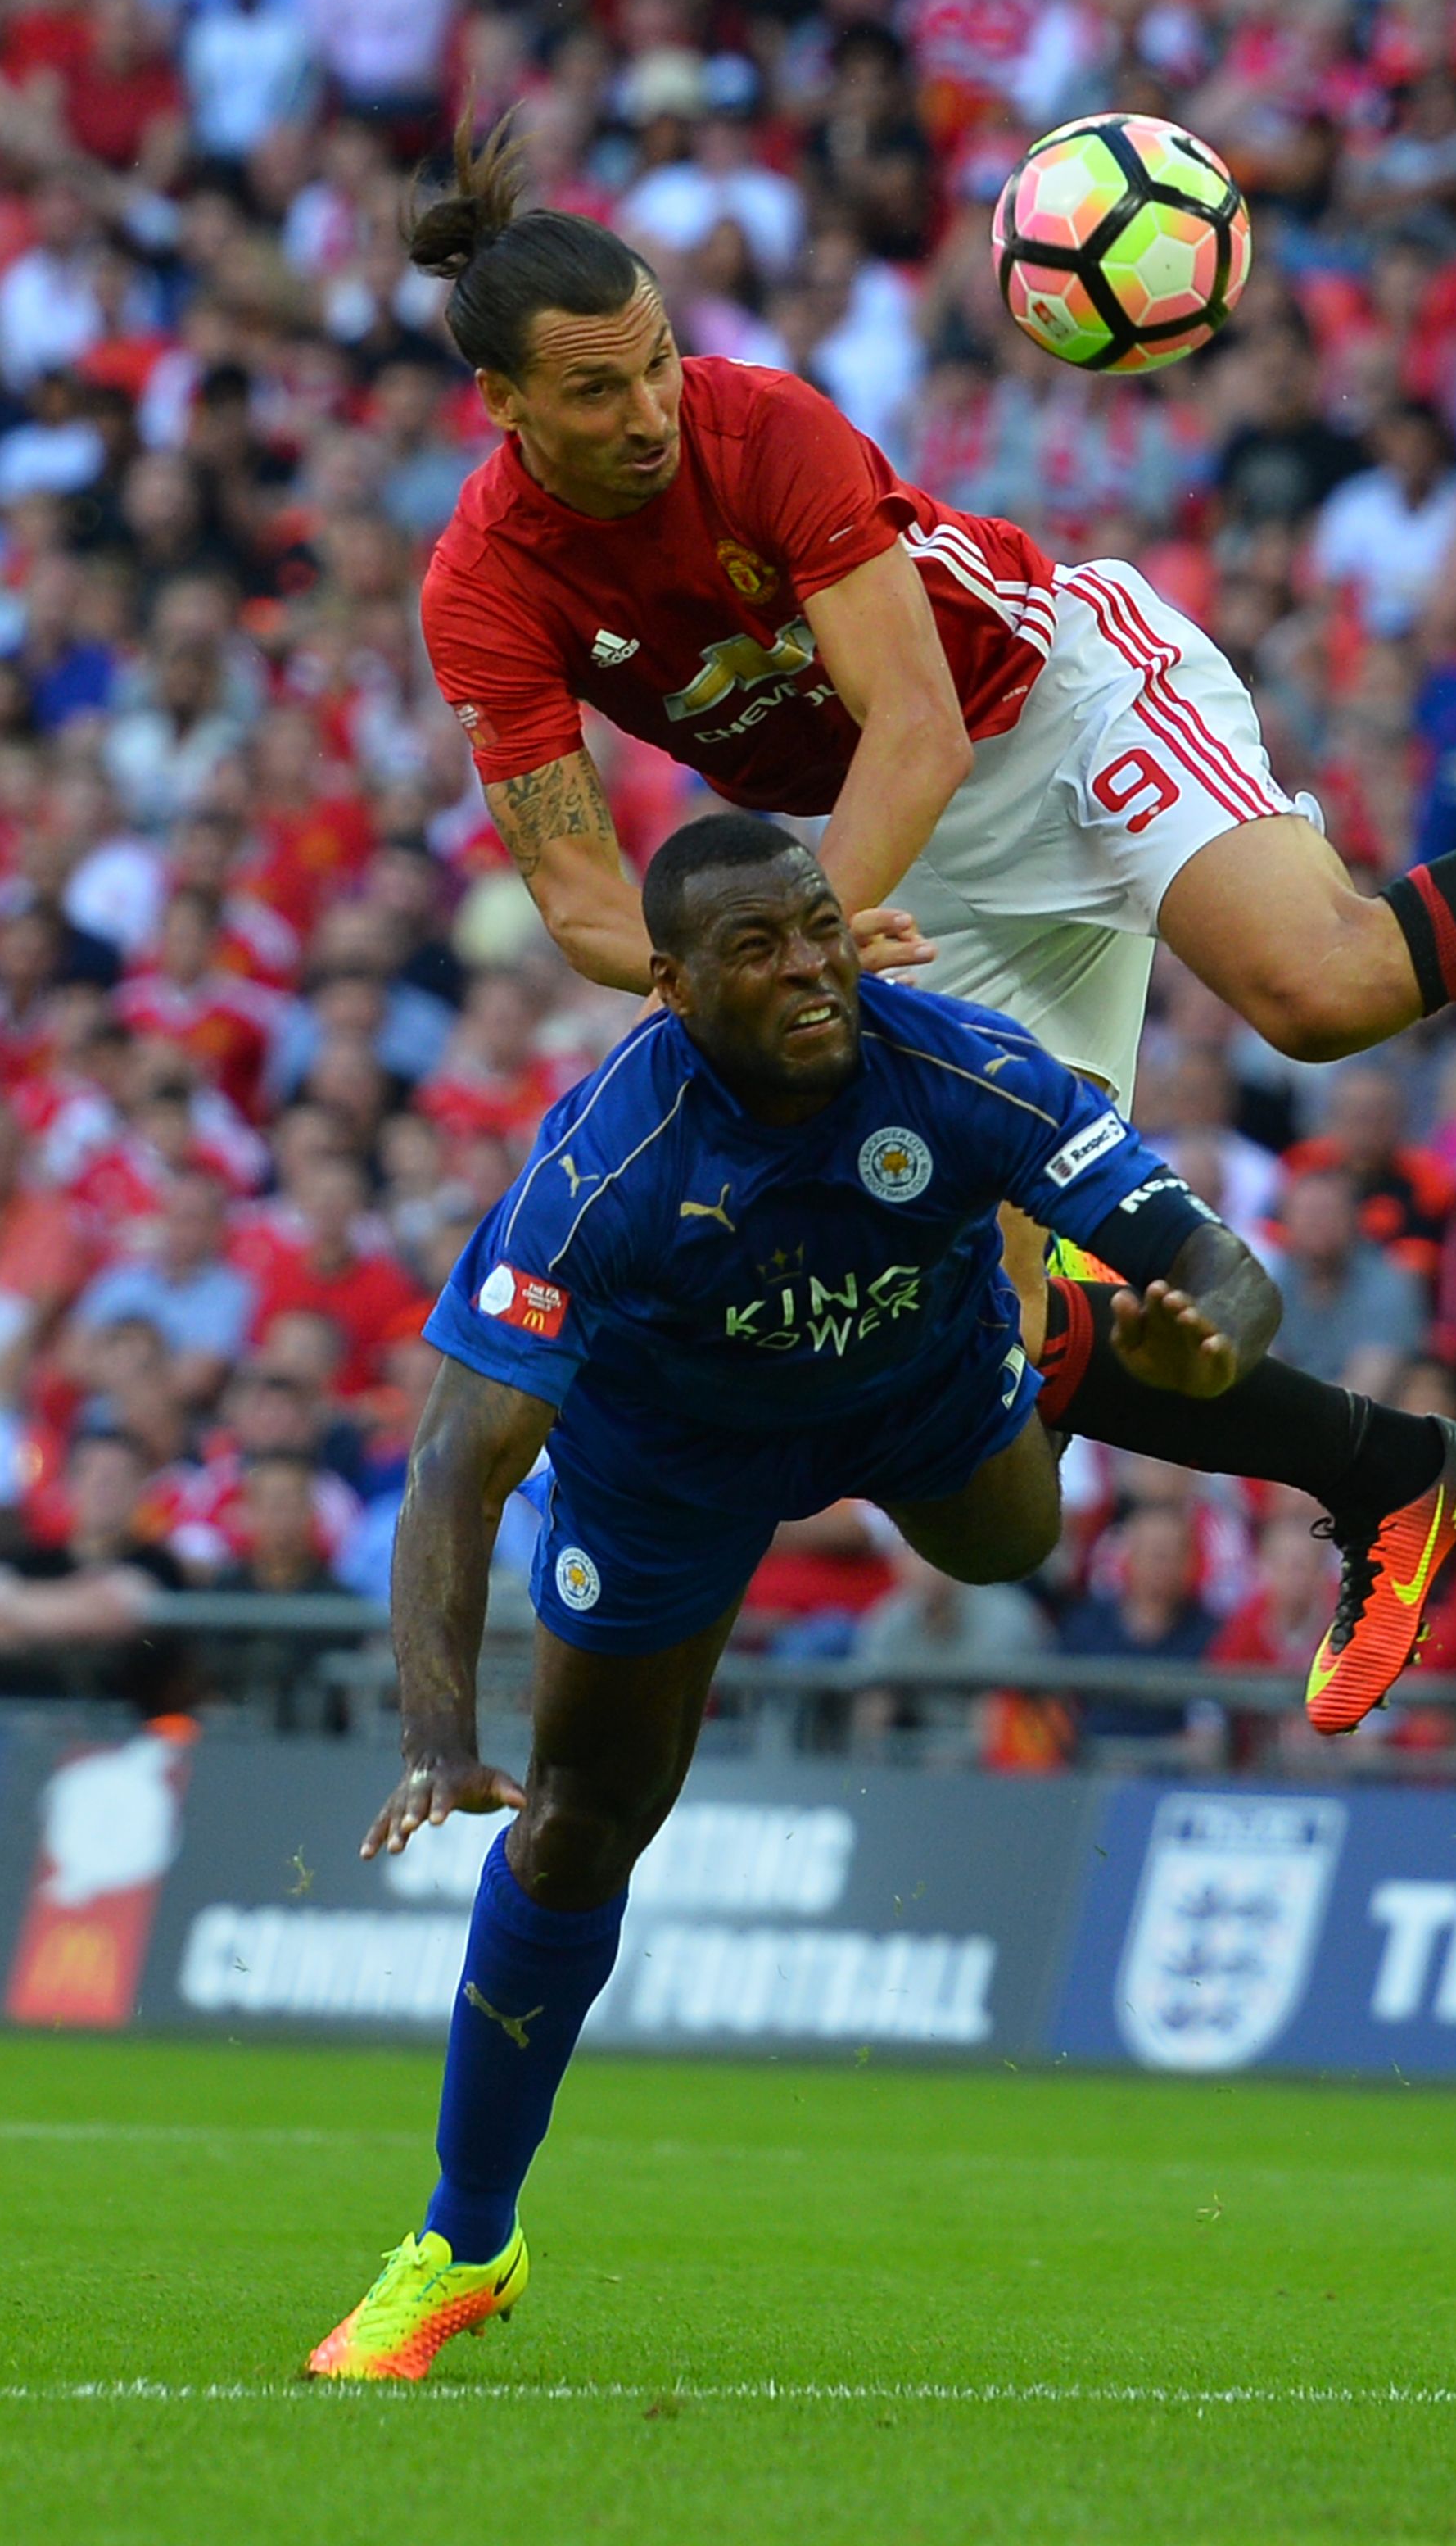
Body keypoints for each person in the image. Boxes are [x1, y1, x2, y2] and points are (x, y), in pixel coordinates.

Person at [400, 123, 1456, 1730]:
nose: (652, 408)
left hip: (1053, 711)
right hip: (898, 874)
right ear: (506, 407)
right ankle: (1401, 1478)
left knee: (1326, 986)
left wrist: (809, 928)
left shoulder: (761, 423)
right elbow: (585, 895)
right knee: (989, 1376)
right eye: (598, 392)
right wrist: (703, 975)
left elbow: (923, 727)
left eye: (658, 360)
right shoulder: (484, 583)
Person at [305, 815, 1372, 2380]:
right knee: (584, 1822)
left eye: (819, 925)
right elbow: (457, 1460)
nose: (811, 965)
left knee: (1015, 1546)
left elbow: (1224, 1268)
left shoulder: (961, 1068)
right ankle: (466, 2239)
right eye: (758, 948)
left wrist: (1208, 1340)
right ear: (668, 985)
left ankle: (1016, 1341)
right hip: (671, 1459)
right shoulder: (601, 1168)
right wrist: (436, 1731)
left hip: (914, 1393)